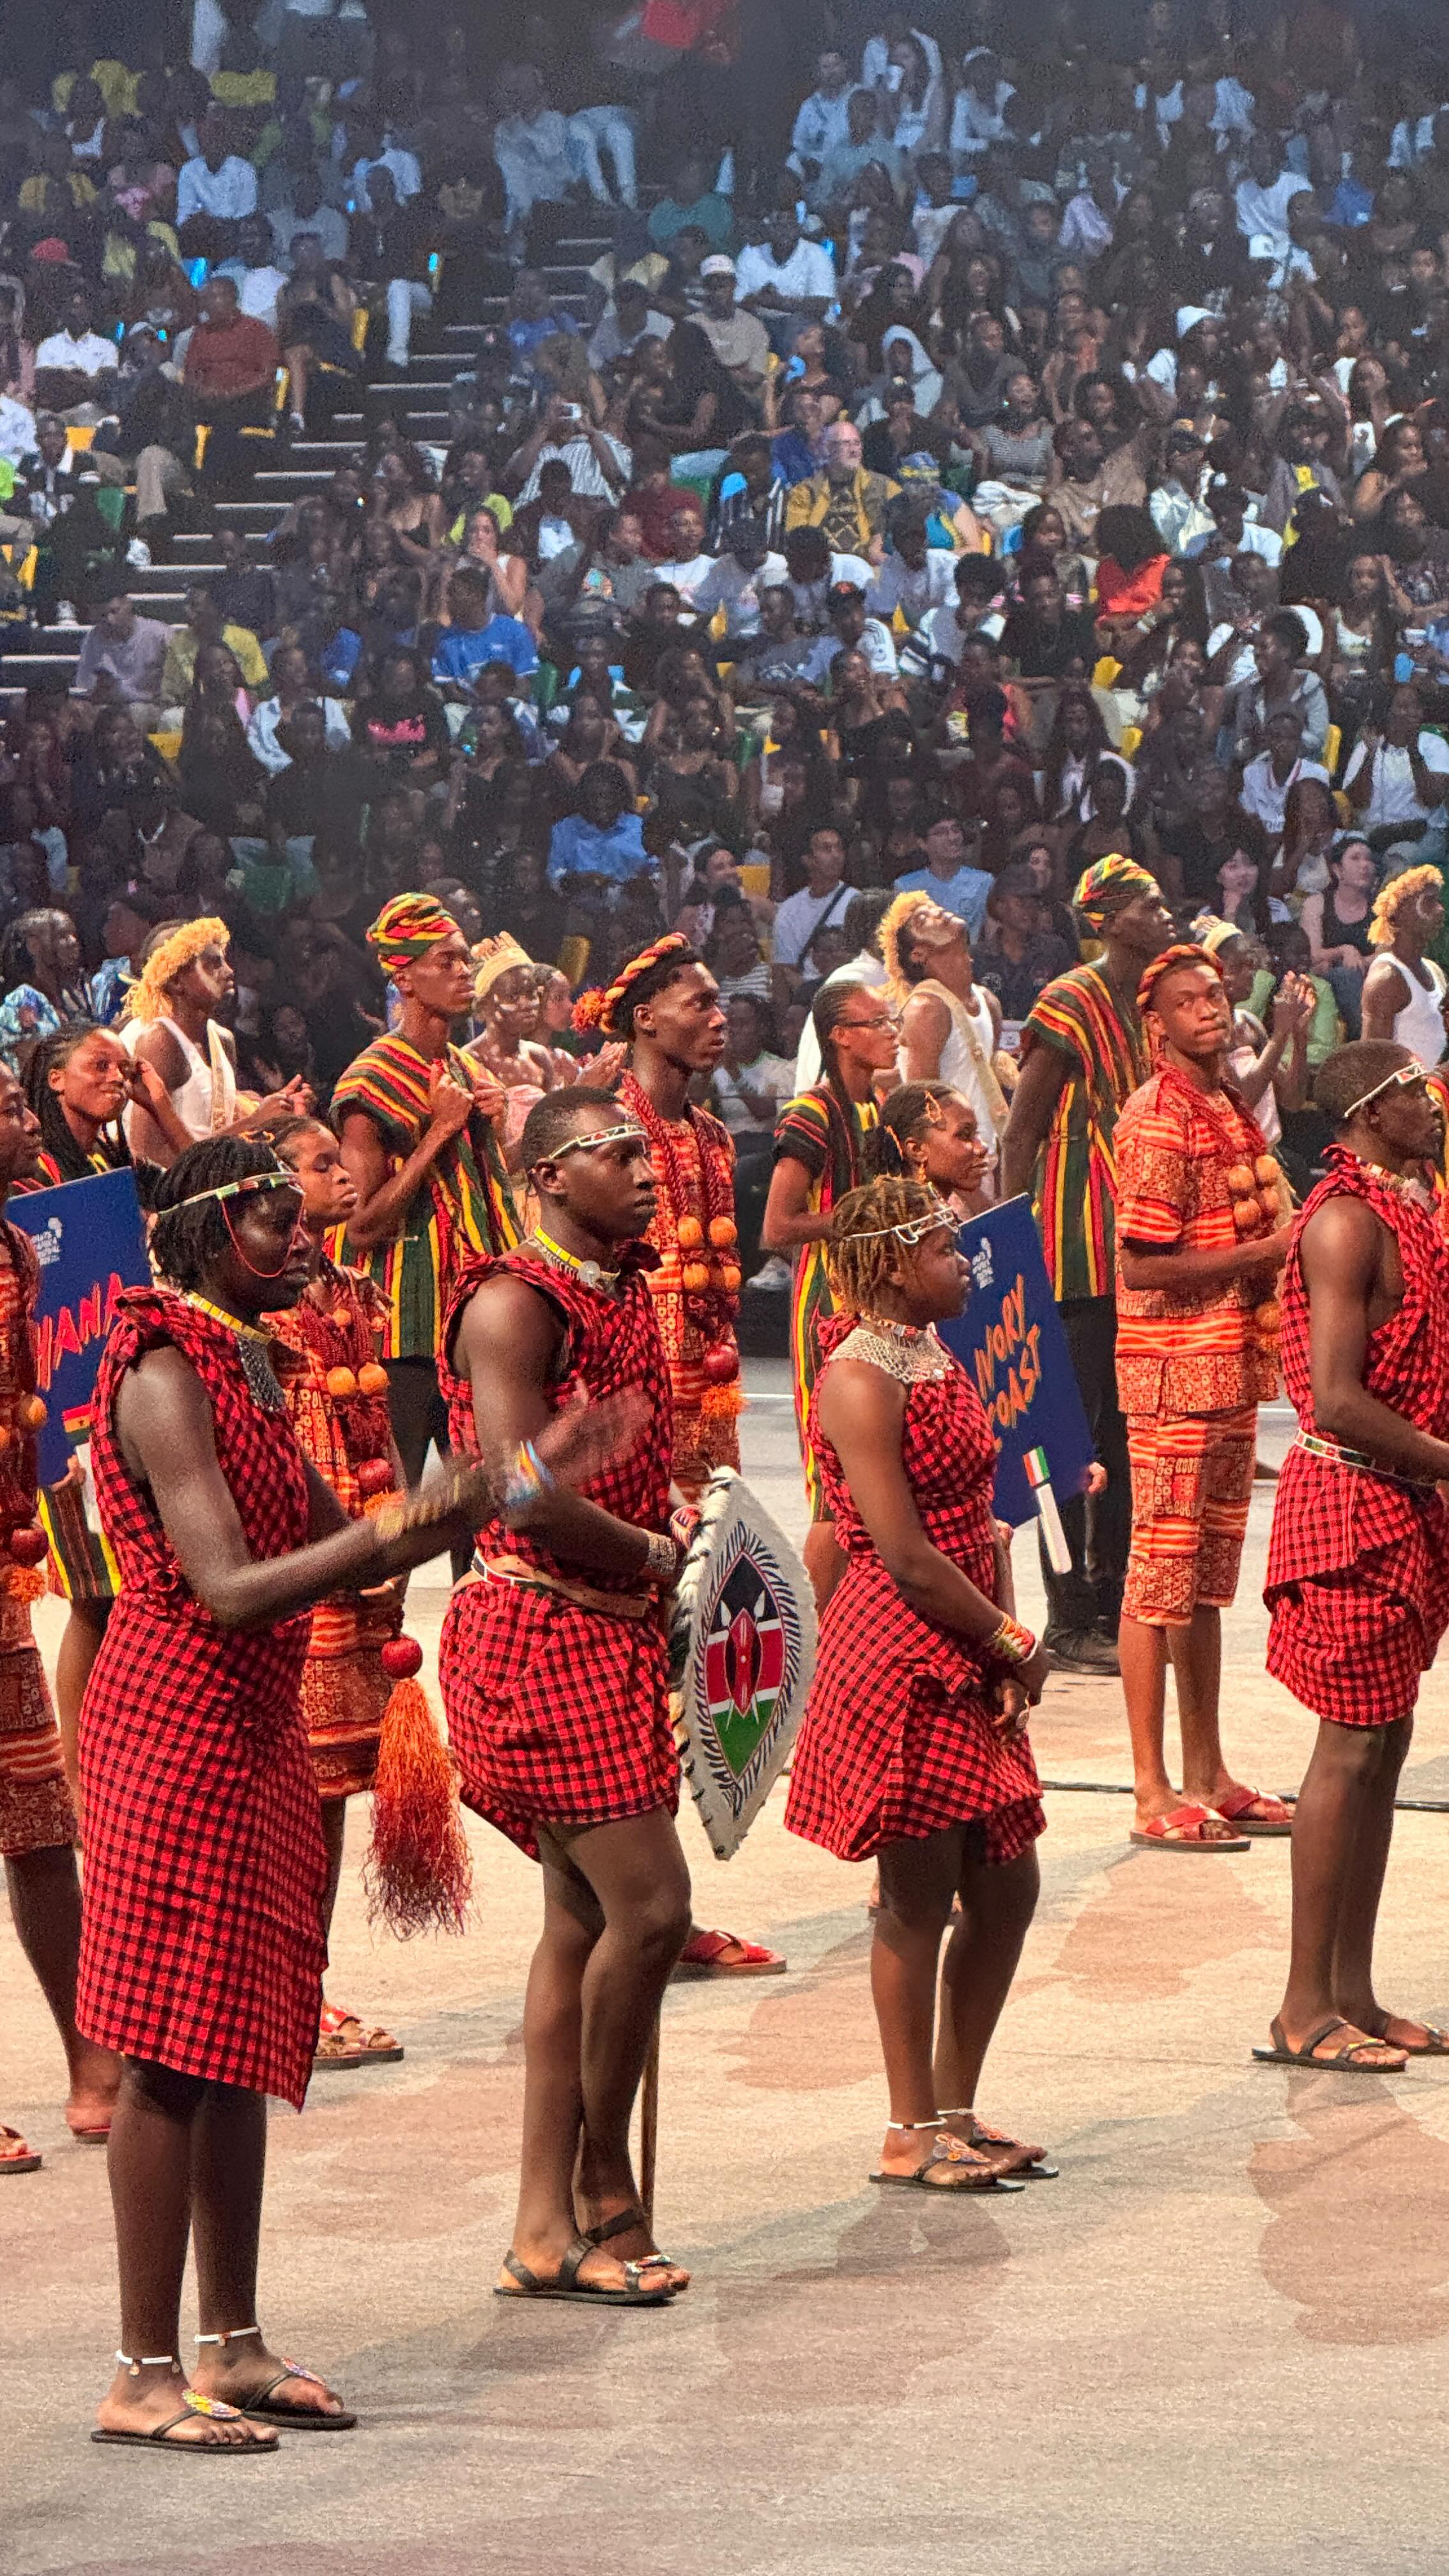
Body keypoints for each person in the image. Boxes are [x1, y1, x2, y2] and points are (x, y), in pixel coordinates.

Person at [75, 1133, 599, 2449]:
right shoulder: (159, 1369)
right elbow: (234, 1587)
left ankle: (233, 2345)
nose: (304, 1242)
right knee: (164, 2061)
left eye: (300, 1221)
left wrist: (528, 1476)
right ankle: (144, 2374)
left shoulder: (243, 1369)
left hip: (246, 1729)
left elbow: (378, 1529)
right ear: (202, 1241)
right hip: (173, 1725)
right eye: (270, 1225)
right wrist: (388, 1532)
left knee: (243, 2037)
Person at [438, 1087, 703, 2303]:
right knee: (651, 1909)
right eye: (616, 1153)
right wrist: (649, 1552)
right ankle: (602, 2181)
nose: (645, 1171)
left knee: (583, 1924)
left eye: (646, 1151)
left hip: (606, 1628)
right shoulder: (511, 1301)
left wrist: (674, 1527)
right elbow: (520, 1488)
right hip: (537, 1631)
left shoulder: (619, 1283)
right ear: (547, 1175)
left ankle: (540, 2228)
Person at [784, 1174, 1051, 2191]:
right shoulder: (859, 1376)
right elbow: (900, 1554)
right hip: (904, 1653)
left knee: (1007, 1882)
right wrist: (1008, 1639)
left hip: (969, 1643)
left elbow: (978, 1514)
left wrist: (1004, 1639)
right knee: (915, 1897)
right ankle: (909, 2131)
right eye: (945, 1249)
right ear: (894, 1264)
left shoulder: (930, 1350)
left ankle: (955, 2107)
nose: (964, 1264)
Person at [1258, 1042, 1449, 2071]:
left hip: (1408, 1500)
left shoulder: (1411, 1204)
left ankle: (1355, 1995)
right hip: (1355, 1502)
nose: (1432, 1104)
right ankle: (1301, 2009)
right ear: (1371, 1112)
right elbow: (1335, 1398)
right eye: (1414, 1093)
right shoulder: (1343, 1221)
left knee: (1382, 1750)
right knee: (1346, 1751)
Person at [1112, 945, 1294, 1850]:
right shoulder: (1153, 1117)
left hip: (1226, 1369)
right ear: (1157, 1027)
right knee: (1159, 1575)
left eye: (1214, 995)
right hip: (1173, 1371)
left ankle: (1208, 1771)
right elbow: (1138, 1263)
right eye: (1186, 1003)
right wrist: (1261, 1259)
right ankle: (1151, 1791)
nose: (1208, 1011)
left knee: (1204, 1583)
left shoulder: (1219, 1101)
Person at [263, 1116, 424, 2074]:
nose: (347, 1175)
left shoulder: (354, 1291)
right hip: (307, 1571)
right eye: (322, 1166)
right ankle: (292, 1992)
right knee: (307, 1796)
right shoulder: (266, 1314)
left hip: (365, 1559)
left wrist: (400, 1516)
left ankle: (303, 1986)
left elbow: (389, 1429)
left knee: (331, 1796)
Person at [999, 858, 1176, 1675]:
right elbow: (1021, 1132)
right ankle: (1071, 1615)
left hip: (1138, 1242)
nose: (1165, 911)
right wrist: (1010, 1242)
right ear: (1105, 919)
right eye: (1146, 902)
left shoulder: (1153, 1002)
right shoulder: (1071, 999)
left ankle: (1115, 1603)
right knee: (1073, 1434)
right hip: (1073, 1243)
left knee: (1127, 1433)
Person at [0, 1061, 119, 2175]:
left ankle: (92, 2059)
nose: (21, 1119)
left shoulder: (19, 1247)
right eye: (2, 1107)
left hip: (2, 1576)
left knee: (39, 1822)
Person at [332, 896, 516, 1529]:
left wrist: (494, 1129)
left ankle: (481, 1629)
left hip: (471, 1330)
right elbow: (360, 1225)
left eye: (467, 957)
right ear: (405, 977)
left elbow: (484, 1198)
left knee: (489, 1507)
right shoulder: (370, 1081)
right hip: (401, 1335)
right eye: (449, 960)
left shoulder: (465, 1069)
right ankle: (375, 1633)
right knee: (392, 1516)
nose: (466, 970)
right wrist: (438, 1132)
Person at [763, 978, 900, 1604]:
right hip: (825, 1306)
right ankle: (806, 1637)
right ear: (841, 1037)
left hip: (868, 1305)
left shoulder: (872, 1108)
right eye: (878, 1022)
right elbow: (778, 1226)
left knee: (869, 1473)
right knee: (833, 1480)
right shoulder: (813, 1113)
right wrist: (870, 1214)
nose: (891, 1031)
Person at [121, 919, 308, 1165]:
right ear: (177, 982)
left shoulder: (223, 1039)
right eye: (213, 964)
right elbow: (147, 1158)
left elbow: (215, 1129)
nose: (230, 971)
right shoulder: (159, 1041)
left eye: (225, 960)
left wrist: (272, 1109)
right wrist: (254, 1120)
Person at [882, 892, 1008, 1191]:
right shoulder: (926, 1008)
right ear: (918, 954)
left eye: (934, 907)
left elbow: (989, 1088)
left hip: (987, 1156)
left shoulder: (987, 1000)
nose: (937, 912)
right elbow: (921, 1109)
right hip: (953, 1174)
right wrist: (961, 1189)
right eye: (922, 919)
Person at [1359, 867, 1448, 1067]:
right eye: (1429, 901)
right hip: (1402, 1096)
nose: (1441, 910)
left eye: (1438, 901)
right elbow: (1372, 1063)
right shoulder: (1387, 978)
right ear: (1399, 912)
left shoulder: (1435, 971)